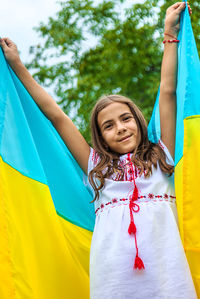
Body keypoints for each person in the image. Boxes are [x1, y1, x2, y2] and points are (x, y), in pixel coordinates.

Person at [0, 2, 197, 298]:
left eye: (126, 118)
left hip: (166, 277)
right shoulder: (96, 168)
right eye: (108, 126)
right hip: (114, 280)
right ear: (100, 137)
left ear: (139, 122)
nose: (120, 128)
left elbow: (168, 91)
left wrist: (170, 34)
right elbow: (56, 115)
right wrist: (17, 64)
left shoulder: (162, 157)